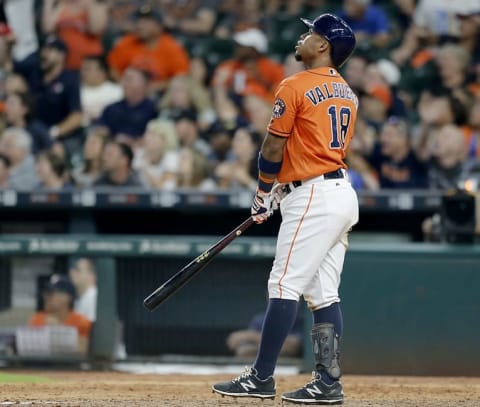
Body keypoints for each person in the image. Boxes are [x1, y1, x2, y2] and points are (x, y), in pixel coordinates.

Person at [212, 14, 359, 405]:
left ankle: (260, 377)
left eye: (312, 33)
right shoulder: (347, 92)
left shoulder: (294, 84)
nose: (303, 37)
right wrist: (283, 188)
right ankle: (328, 382)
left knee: (283, 284)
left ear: (324, 46)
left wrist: (263, 191)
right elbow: (311, 148)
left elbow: (273, 148)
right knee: (324, 293)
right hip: (338, 191)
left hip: (313, 195)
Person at [28, 274, 92, 355]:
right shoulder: (37, 318)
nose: (45, 297)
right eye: (46, 293)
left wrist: (59, 330)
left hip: (69, 367)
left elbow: (82, 350)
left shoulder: (80, 321)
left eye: (50, 294)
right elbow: (30, 350)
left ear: (67, 298)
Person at [69, 258, 97, 322]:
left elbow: (91, 327)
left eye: (78, 270)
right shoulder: (81, 297)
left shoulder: (93, 296)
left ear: (91, 275)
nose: (72, 273)